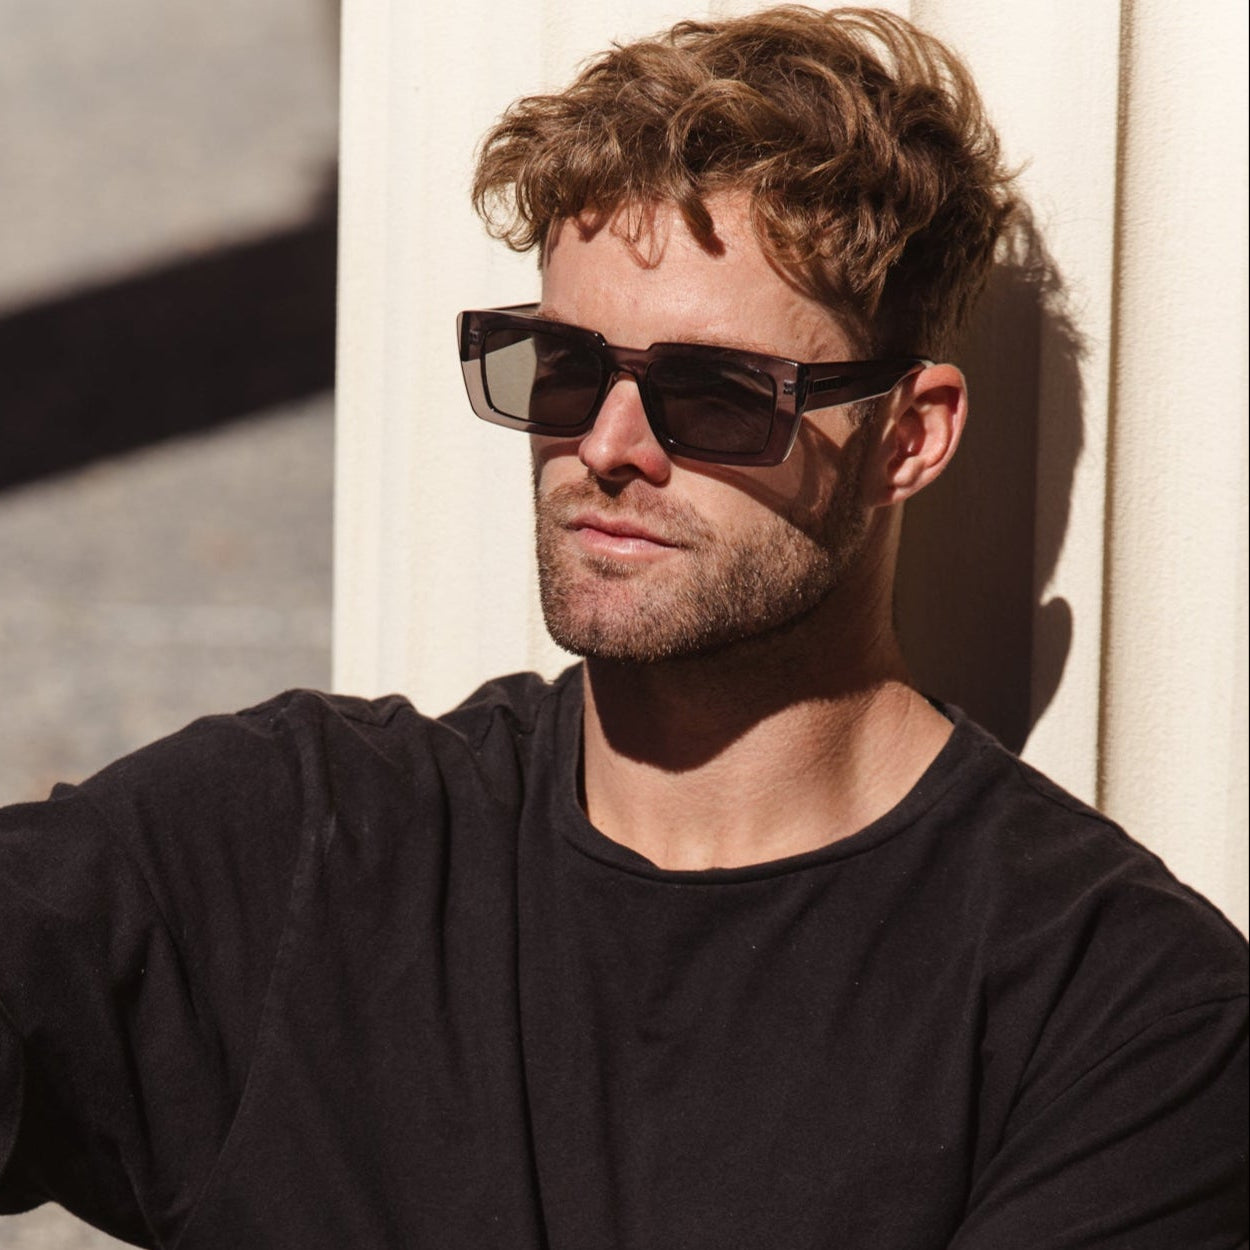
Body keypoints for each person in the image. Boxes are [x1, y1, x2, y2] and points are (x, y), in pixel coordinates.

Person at [1, 6, 1245, 1248]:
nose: (604, 445)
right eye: (558, 368)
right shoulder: (301, 847)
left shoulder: (1119, 1016)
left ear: (904, 437)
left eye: (710, 395)